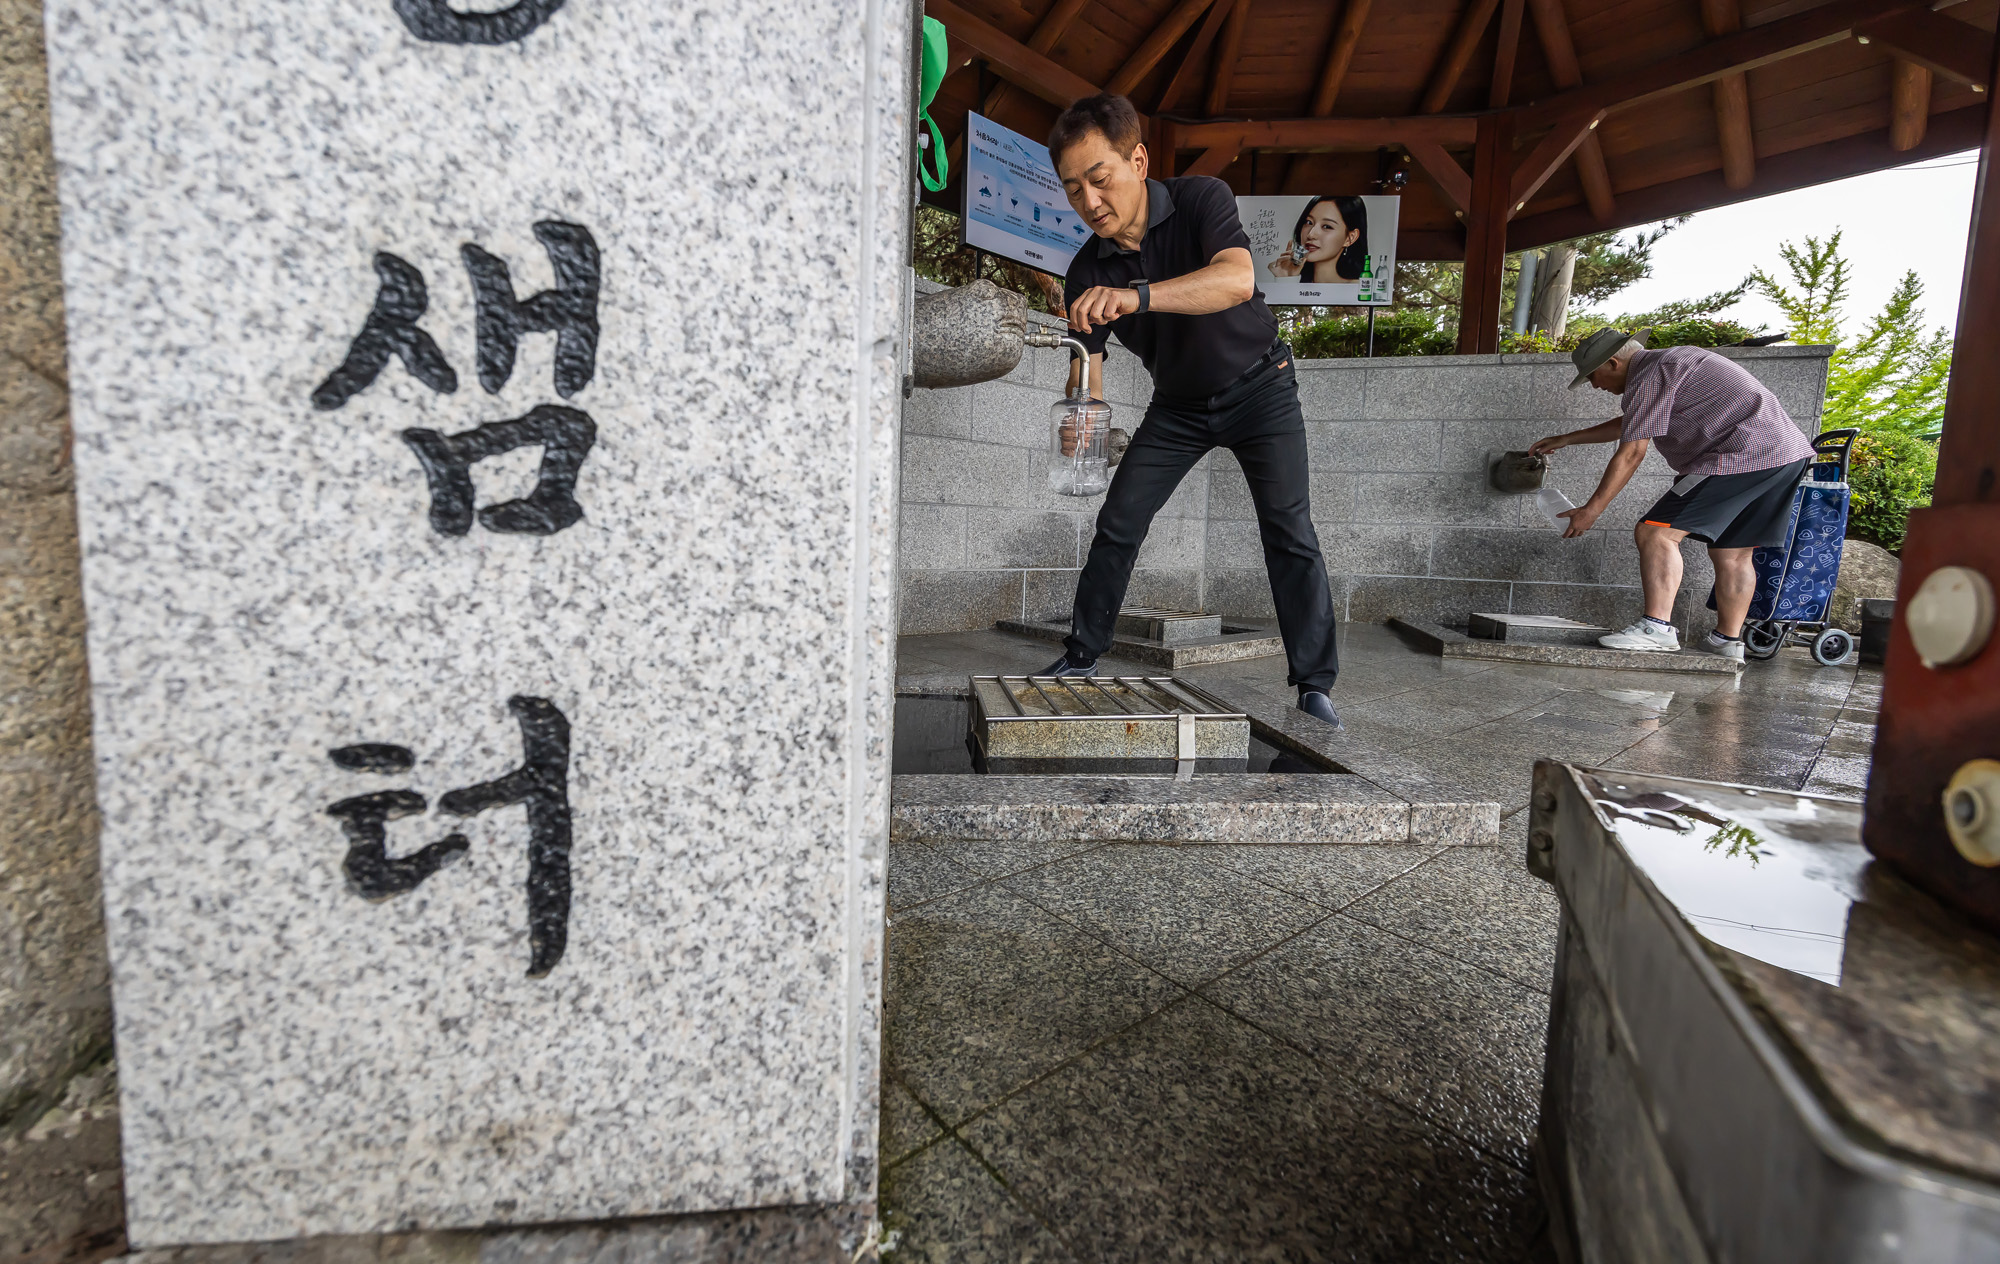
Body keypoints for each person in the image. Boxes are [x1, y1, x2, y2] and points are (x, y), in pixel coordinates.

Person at [1032, 93, 1342, 727]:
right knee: (1118, 521)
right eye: (1072, 189)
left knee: (1288, 531)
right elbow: (1085, 361)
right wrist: (1081, 412)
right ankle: (1083, 653)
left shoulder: (1202, 198)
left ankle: (1314, 684)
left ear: (1138, 160)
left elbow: (1235, 280)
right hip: (1177, 409)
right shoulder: (1085, 266)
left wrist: (1135, 296)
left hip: (1262, 389)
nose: (1089, 202)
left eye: (1100, 179)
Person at [1529, 329, 1817, 661]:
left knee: (1655, 532)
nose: (1595, 386)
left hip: (1740, 454)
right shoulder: (1670, 363)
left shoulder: (1650, 373)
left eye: (1593, 376)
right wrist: (1568, 438)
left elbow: (1632, 452)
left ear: (1612, 362)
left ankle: (1657, 629)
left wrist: (1592, 509)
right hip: (1785, 456)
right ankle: (1727, 641)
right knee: (1733, 554)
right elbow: (1635, 422)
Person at [1265, 195, 1368, 283]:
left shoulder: (1357, 289)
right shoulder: (1289, 278)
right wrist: (1286, 280)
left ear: (1350, 238)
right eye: (1309, 222)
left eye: (1327, 226)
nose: (1311, 234)